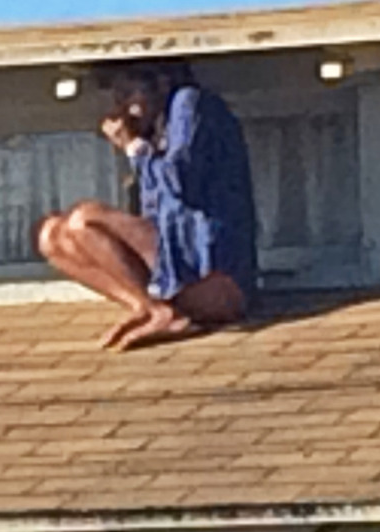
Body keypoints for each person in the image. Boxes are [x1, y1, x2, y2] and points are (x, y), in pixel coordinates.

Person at [37, 60, 258, 350]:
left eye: (130, 95)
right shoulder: (156, 127)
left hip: (216, 277)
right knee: (52, 235)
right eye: (118, 98)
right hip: (176, 272)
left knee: (85, 219)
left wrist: (134, 148)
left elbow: (180, 181)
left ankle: (163, 313)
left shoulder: (190, 104)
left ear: (162, 84)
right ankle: (148, 307)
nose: (123, 108)